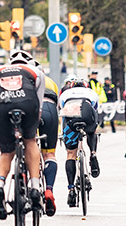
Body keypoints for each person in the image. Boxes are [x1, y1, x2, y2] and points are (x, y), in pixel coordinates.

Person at [0, 50, 44, 220]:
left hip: (2, 105)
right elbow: (39, 104)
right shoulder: (35, 71)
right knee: (30, 141)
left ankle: (0, 185)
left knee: (6, 152)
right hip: (27, 103)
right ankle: (35, 187)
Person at [58, 76, 101, 206]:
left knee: (71, 154)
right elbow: (95, 109)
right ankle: (93, 153)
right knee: (92, 131)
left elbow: (62, 110)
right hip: (87, 112)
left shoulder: (65, 93)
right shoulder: (91, 92)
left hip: (71, 116)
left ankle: (71, 188)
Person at [37, 74, 61, 216]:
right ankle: (49, 190)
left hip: (28, 109)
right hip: (49, 108)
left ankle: (24, 176)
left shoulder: (15, 77)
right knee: (49, 154)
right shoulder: (50, 81)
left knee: (27, 144)